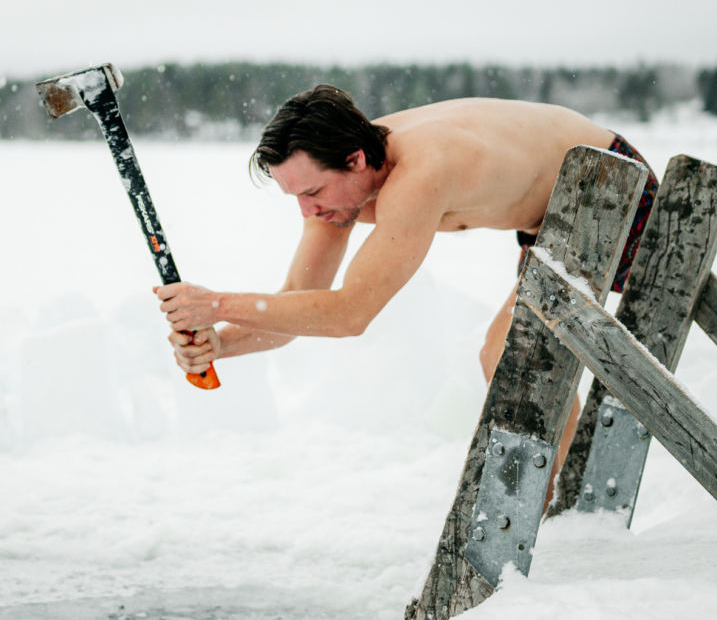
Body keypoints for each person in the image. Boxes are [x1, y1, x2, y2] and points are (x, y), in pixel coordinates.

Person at [155, 86, 657, 502]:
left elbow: (349, 314)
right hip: (549, 216)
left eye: (312, 193)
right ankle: (563, 503)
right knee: (507, 350)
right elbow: (298, 299)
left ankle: (566, 508)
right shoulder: (342, 184)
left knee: (511, 349)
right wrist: (221, 342)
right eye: (296, 198)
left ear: (354, 160)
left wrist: (217, 304)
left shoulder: (422, 169)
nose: (308, 211)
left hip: (607, 184)